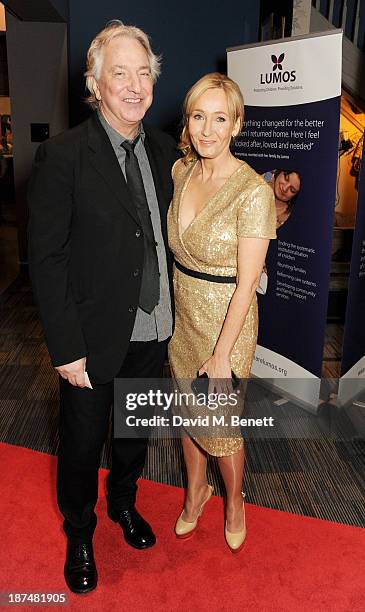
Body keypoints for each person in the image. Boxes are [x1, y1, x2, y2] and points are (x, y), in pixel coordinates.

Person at [28, 21, 178, 594]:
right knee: (84, 441)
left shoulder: (166, 150)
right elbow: (47, 258)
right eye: (121, 73)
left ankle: (123, 504)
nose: (135, 86)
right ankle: (81, 529)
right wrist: (65, 348)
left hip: (154, 326)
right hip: (90, 340)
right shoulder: (63, 156)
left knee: (134, 431)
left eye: (144, 73)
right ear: (96, 83)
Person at [167, 73, 276, 552]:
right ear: (187, 122)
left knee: (222, 423)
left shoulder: (253, 192)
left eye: (219, 119)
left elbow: (249, 282)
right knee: (188, 413)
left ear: (237, 125)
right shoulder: (181, 172)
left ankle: (234, 500)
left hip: (227, 322)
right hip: (182, 316)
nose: (206, 130)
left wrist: (221, 355)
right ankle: (196, 492)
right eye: (197, 117)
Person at [257, 169, 301, 294]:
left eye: (292, 190)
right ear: (277, 173)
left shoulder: (292, 217)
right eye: (286, 178)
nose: (285, 188)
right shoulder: (255, 197)